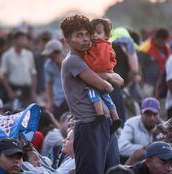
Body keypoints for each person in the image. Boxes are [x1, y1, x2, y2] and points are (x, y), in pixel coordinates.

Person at [60, 14, 123, 173]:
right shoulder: (73, 61)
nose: (86, 39)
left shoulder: (90, 59)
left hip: (104, 123)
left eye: (87, 34)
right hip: (90, 125)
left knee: (111, 169)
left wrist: (105, 77)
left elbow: (120, 81)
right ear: (67, 40)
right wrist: (107, 76)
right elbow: (105, 87)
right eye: (79, 35)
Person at [83, 18, 121, 132]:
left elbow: (101, 62)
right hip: (105, 77)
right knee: (106, 98)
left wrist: (91, 72)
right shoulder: (103, 46)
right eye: (92, 33)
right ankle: (116, 118)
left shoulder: (101, 46)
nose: (95, 35)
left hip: (97, 77)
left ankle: (99, 115)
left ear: (106, 35)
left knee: (92, 92)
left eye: (98, 33)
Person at [1, 31, 37, 108]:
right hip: (14, 89)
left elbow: (33, 74)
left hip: (27, 89)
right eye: (21, 39)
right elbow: (4, 75)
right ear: (15, 40)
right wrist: (9, 91)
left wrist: (33, 91)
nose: (24, 41)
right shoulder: (7, 55)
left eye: (25, 39)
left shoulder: (29, 54)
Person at [43, 40, 68, 120]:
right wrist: (49, 102)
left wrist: (61, 63)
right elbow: (49, 84)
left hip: (72, 98)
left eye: (52, 56)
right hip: (58, 99)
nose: (50, 58)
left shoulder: (70, 60)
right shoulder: (48, 64)